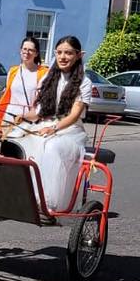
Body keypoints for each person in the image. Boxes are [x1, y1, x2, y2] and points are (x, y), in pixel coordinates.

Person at [19, 35, 93, 212]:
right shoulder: (48, 79)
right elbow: (39, 112)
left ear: (78, 55)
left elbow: (74, 116)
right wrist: (19, 117)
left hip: (71, 133)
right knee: (20, 139)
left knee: (50, 146)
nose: (63, 57)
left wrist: (52, 128)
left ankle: (46, 202)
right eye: (59, 52)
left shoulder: (85, 82)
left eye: (68, 53)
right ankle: (21, 194)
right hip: (47, 126)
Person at [0, 37, 49, 132]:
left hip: (29, 120)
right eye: (24, 49)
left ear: (36, 53)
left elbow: (43, 100)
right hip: (9, 118)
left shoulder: (43, 72)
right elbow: (8, 95)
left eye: (31, 50)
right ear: (20, 51)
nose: (27, 52)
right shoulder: (13, 71)